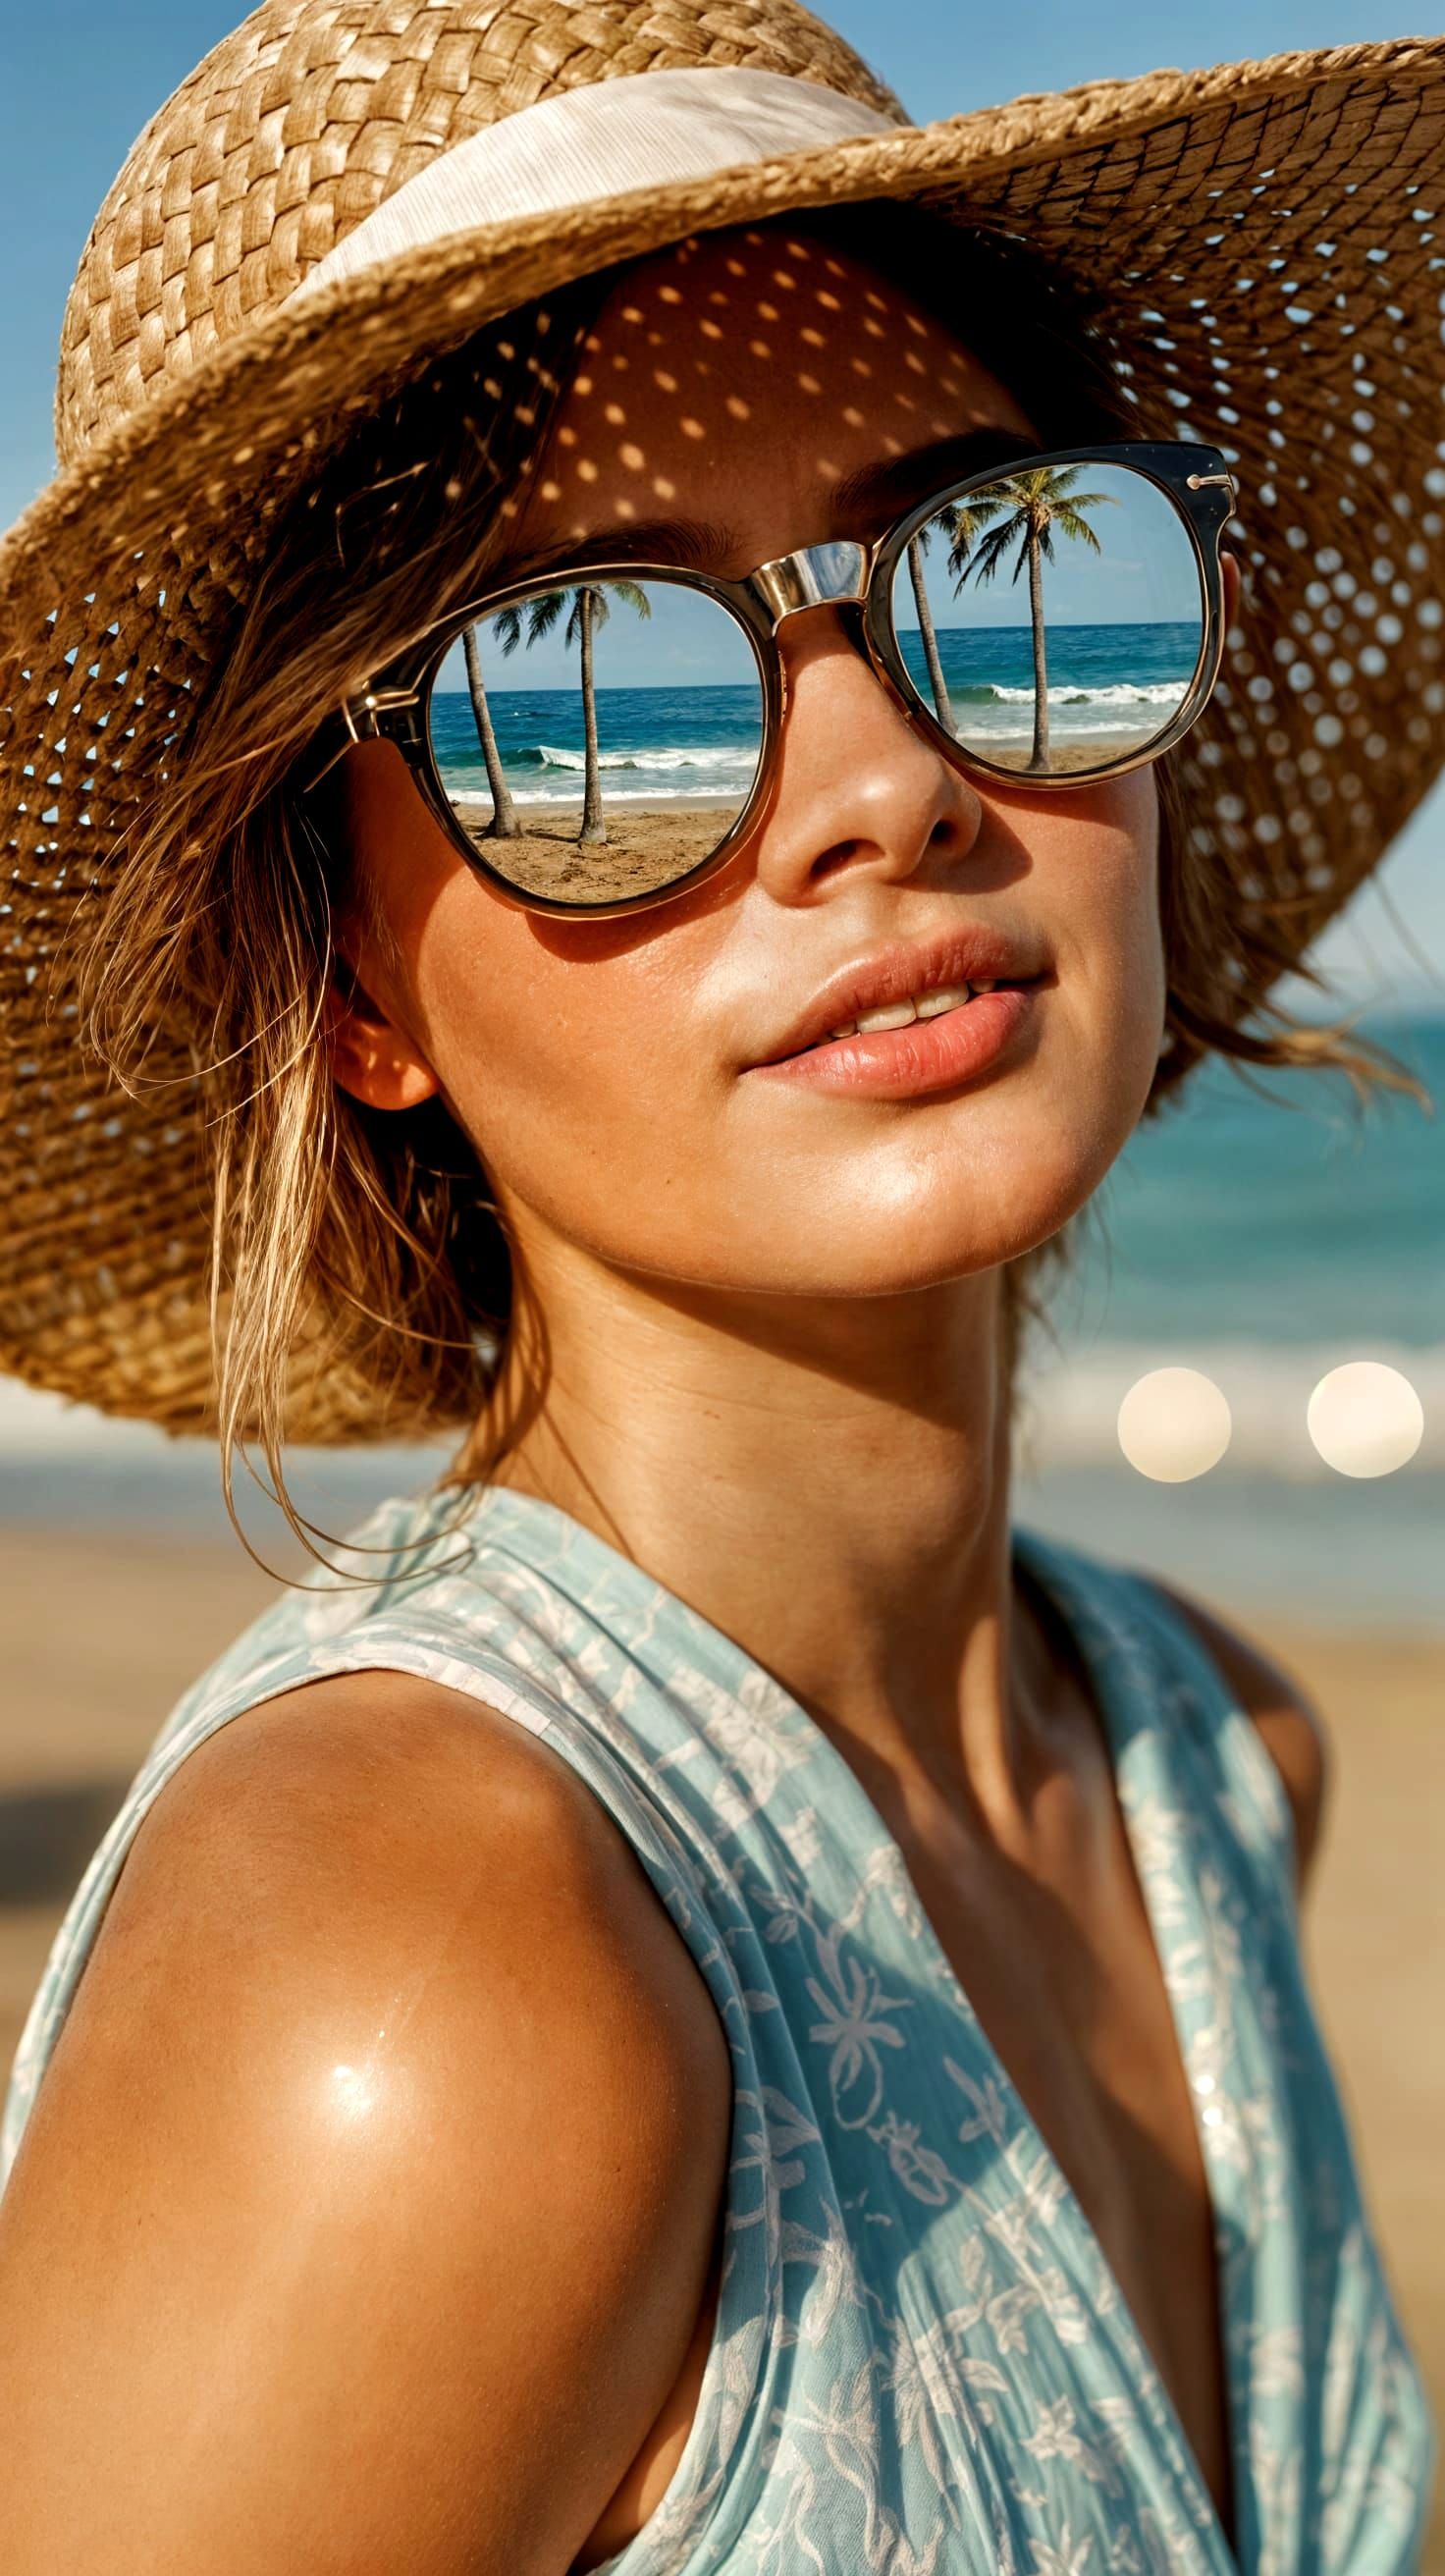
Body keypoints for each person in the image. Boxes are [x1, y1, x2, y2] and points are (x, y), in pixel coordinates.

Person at [0, 4, 1437, 2568]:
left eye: (1003, 577)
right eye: (588, 692)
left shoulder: (1215, 1766)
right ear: (346, 984)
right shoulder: (420, 1977)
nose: (887, 777)